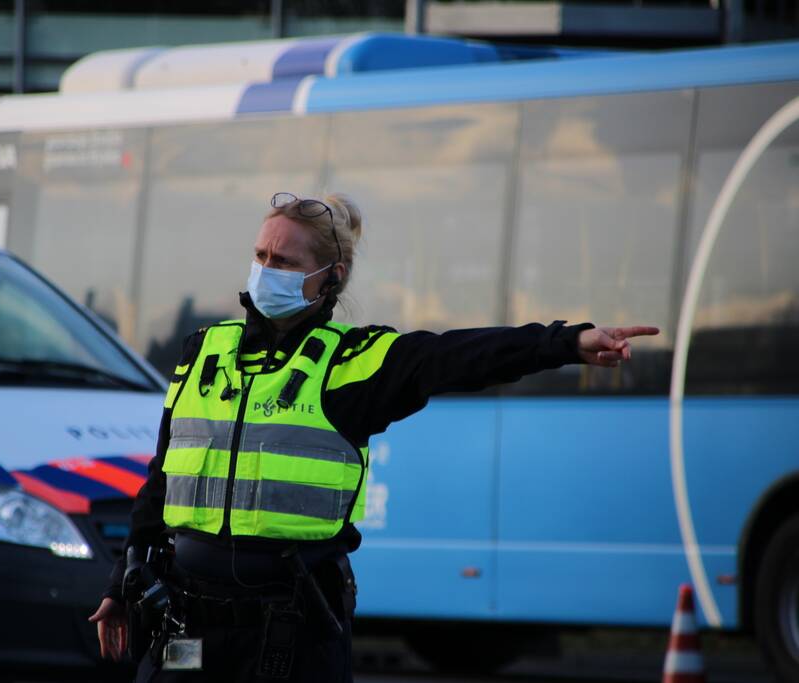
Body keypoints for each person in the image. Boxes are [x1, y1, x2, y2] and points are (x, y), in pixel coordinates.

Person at [89, 192, 659, 682]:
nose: (265, 270)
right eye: (260, 256)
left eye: (283, 261)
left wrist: (564, 343)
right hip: (186, 624)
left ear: (329, 277)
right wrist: (121, 583)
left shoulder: (353, 363)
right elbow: (161, 479)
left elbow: (460, 355)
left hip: (288, 635)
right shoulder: (203, 350)